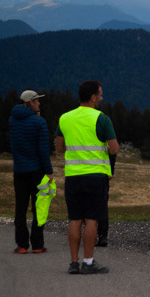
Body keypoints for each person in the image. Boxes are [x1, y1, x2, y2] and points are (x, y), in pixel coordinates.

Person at [55, 80, 119, 274]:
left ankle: (73, 263)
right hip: (95, 176)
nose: (101, 97)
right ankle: (88, 262)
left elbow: (59, 148)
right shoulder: (102, 118)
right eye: (100, 94)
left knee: (75, 220)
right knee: (91, 220)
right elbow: (114, 148)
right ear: (93, 97)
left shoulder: (65, 118)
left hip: (73, 176)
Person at [9, 90, 54, 254]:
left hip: (19, 170)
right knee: (38, 207)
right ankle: (37, 244)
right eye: (36, 100)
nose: (39, 103)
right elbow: (43, 150)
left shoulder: (12, 120)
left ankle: (22, 245)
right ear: (29, 102)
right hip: (37, 171)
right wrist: (49, 171)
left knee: (20, 207)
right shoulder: (39, 122)